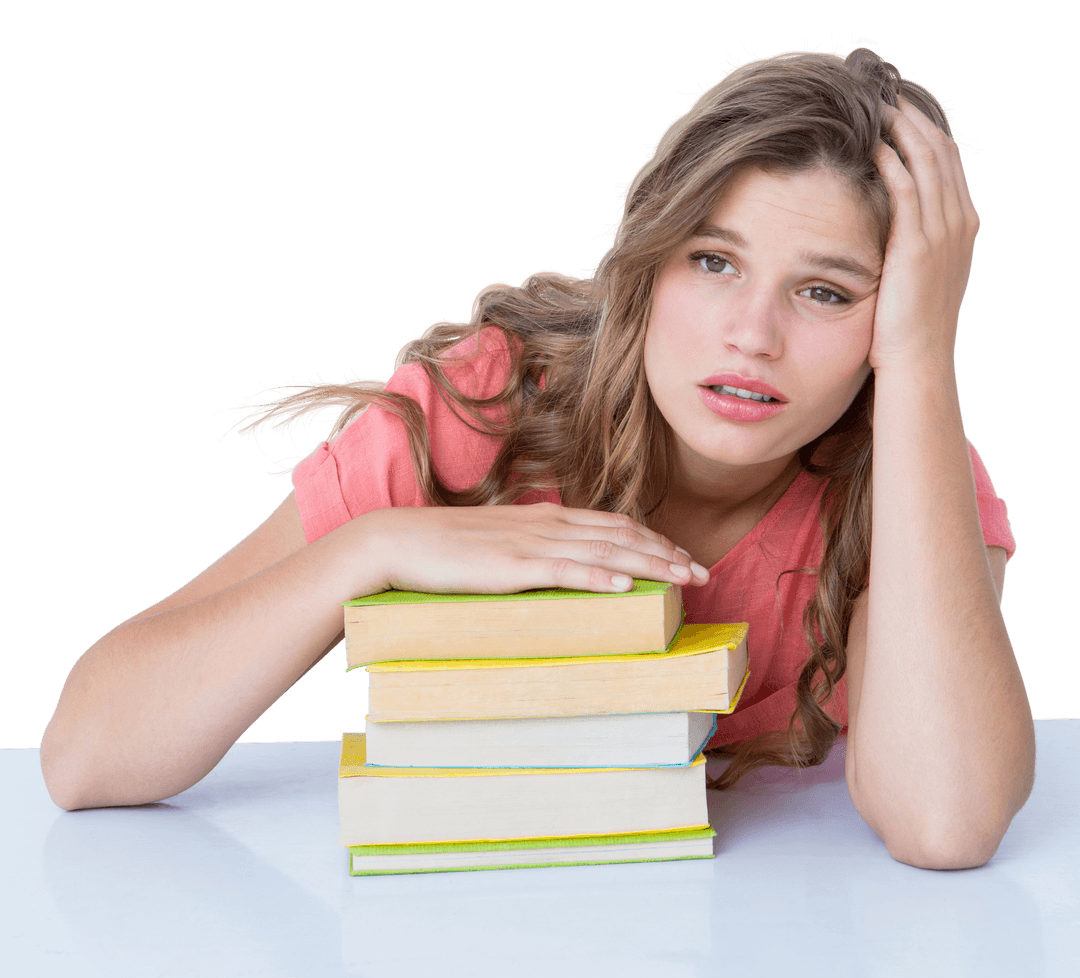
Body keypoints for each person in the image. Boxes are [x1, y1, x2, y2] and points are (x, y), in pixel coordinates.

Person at [40, 43, 1035, 870]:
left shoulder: (911, 482)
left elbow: (946, 823)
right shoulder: (488, 405)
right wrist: (371, 550)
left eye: (825, 292)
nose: (752, 335)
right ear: (649, 263)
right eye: (714, 261)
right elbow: (85, 755)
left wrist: (921, 356)